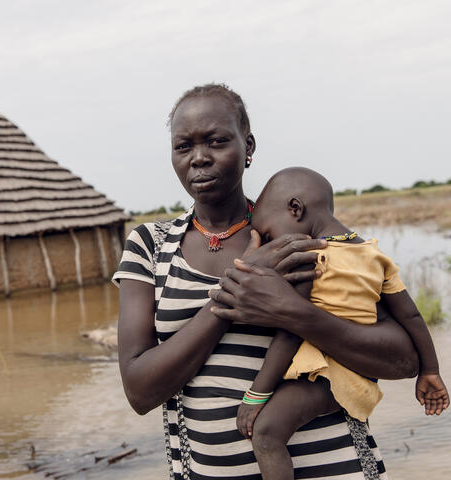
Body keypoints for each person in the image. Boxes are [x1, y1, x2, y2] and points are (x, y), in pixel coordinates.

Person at [114, 83, 419, 479]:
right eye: (183, 146)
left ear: (249, 147)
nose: (199, 158)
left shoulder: (299, 234)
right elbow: (139, 391)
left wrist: (292, 311)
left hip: (337, 467)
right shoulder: (150, 246)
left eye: (217, 141)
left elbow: (404, 359)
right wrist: (233, 295)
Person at [221, 166, 449, 480]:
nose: (270, 247)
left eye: (270, 235)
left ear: (296, 209)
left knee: (266, 432)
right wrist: (430, 371)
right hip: (360, 376)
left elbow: (289, 333)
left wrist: (255, 395)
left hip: (329, 376)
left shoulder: (311, 260)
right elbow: (410, 316)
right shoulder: (373, 254)